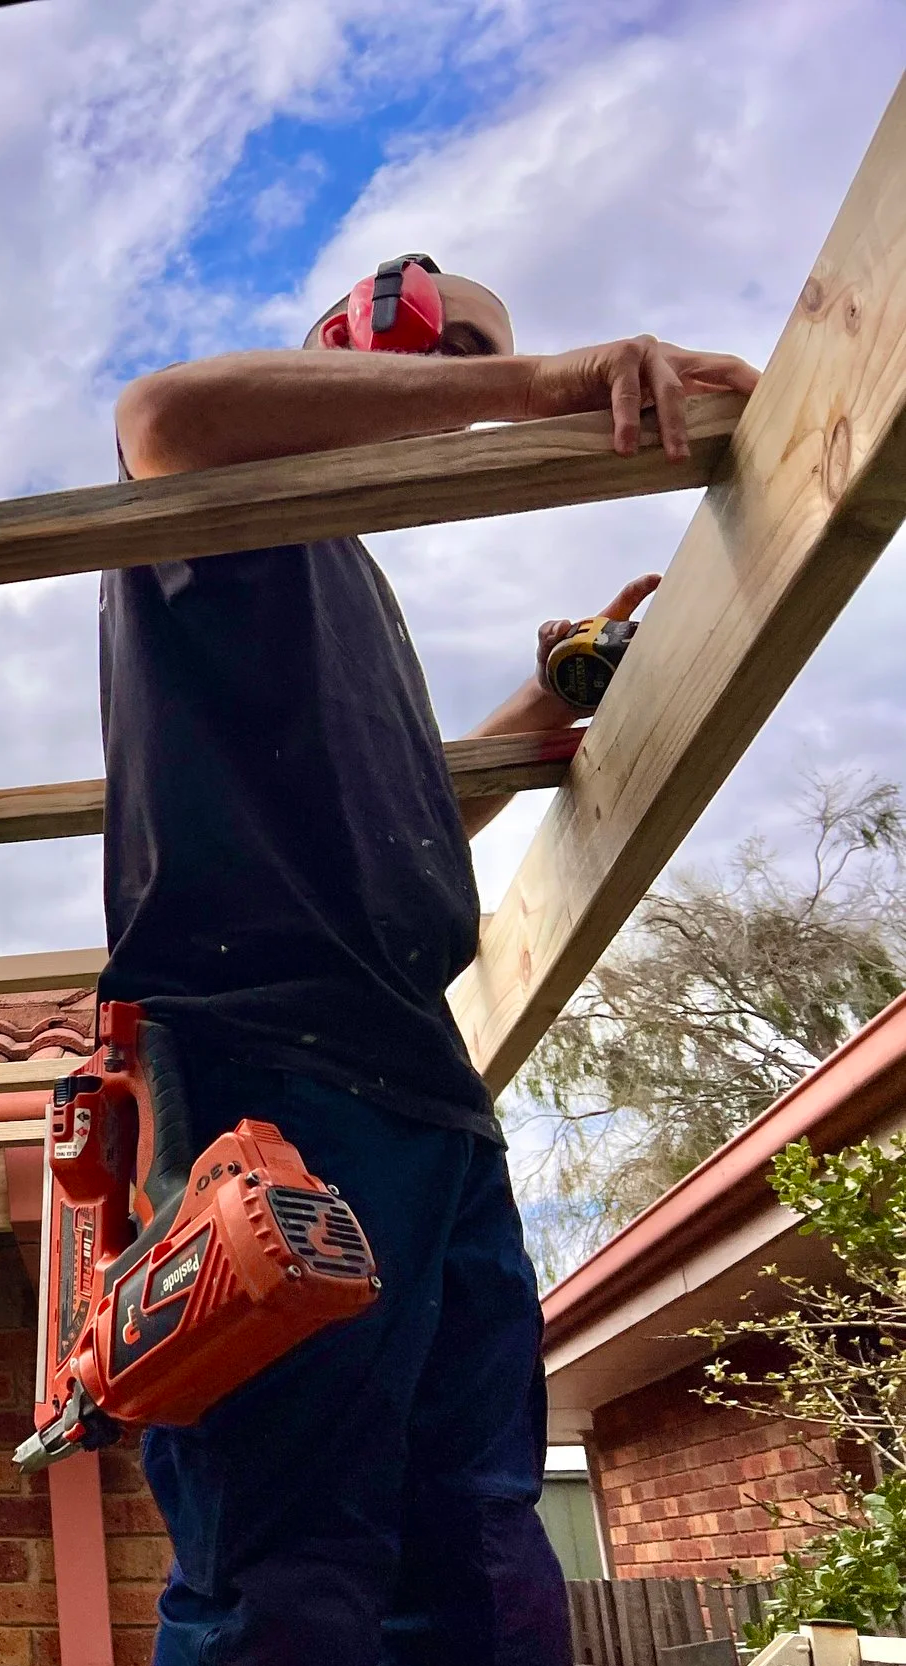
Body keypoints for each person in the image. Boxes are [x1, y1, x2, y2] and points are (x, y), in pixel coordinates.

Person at [102, 269, 759, 1664]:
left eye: (491, 357)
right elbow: (162, 413)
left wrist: (552, 702)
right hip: (264, 1066)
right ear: (342, 344)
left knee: (477, 1535)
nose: (468, 384)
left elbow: (407, 831)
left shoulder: (358, 589)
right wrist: (540, 383)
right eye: (441, 349)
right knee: (286, 1555)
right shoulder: (237, 512)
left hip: (426, 1089)